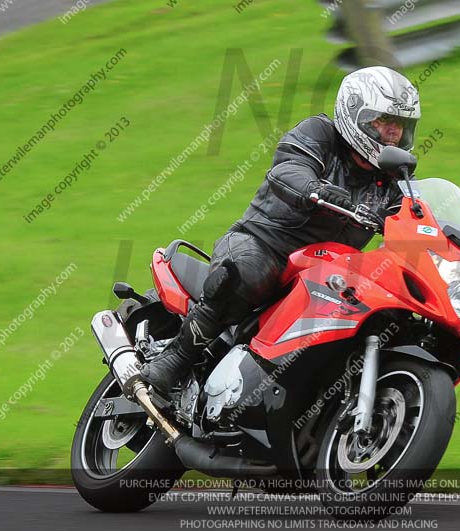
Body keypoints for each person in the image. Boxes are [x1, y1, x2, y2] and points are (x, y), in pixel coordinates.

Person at [140, 66, 421, 395]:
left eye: (400, 125)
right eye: (383, 122)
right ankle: (176, 358)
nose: (392, 134)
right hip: (266, 244)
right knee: (245, 272)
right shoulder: (320, 134)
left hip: (329, 270)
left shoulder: (394, 177)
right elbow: (289, 168)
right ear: (355, 114)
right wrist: (315, 189)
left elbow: (414, 216)